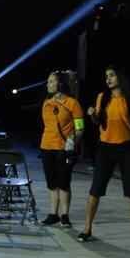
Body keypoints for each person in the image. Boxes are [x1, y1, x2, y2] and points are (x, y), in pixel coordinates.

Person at [80, 66, 130, 246]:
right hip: (106, 147)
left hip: (128, 147)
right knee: (96, 189)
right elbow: (97, 122)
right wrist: (92, 115)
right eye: (106, 76)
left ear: (120, 77)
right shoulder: (102, 98)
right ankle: (87, 229)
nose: (108, 79)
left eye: (111, 75)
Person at [39, 71, 85, 228]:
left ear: (59, 84)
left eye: (51, 81)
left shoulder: (72, 103)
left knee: (64, 183)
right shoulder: (47, 103)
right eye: (48, 81)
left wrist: (73, 141)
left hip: (64, 149)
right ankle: (53, 214)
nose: (48, 84)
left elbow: (80, 127)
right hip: (46, 147)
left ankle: (64, 215)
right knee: (52, 183)